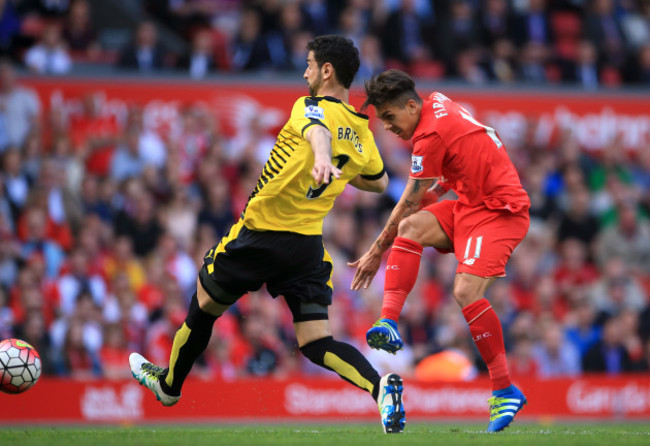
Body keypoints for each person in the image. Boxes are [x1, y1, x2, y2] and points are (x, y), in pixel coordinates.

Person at [129, 35, 405, 434]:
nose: (305, 71)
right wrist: (339, 169)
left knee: (204, 305)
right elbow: (379, 182)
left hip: (261, 234)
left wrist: (325, 158)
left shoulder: (309, 106)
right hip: (306, 246)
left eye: (310, 64)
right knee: (315, 340)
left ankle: (170, 386)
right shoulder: (361, 130)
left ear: (327, 70)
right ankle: (380, 389)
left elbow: (317, 134)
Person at [349, 69, 530, 432]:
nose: (387, 126)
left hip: (499, 210)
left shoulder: (429, 133)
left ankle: (503, 388)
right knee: (411, 227)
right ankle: (388, 322)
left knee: (464, 290)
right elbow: (456, 165)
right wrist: (431, 196)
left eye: (389, 117)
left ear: (411, 106)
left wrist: (374, 252)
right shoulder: (438, 102)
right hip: (469, 203)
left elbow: (409, 199)